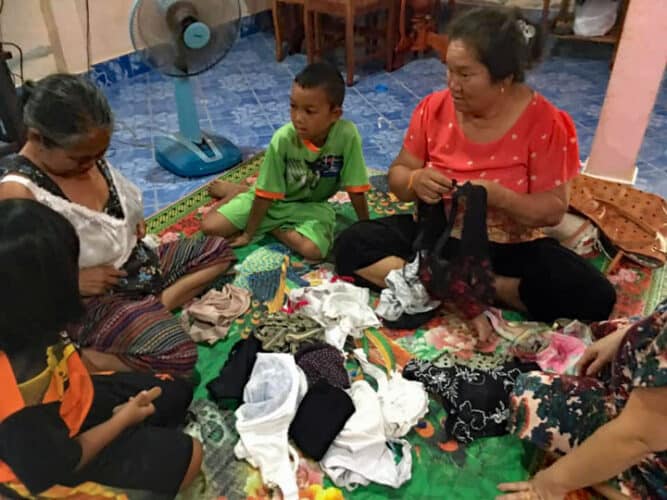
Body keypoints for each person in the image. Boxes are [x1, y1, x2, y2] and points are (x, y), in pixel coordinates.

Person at [333, 8, 616, 336]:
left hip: (508, 249)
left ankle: (472, 285)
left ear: (504, 77)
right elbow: (399, 173)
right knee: (351, 244)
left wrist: (498, 197)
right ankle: (459, 286)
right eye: (449, 70)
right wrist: (414, 180)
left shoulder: (546, 123)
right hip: (437, 239)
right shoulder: (433, 108)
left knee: (594, 295)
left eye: (465, 75)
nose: (452, 84)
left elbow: (552, 210)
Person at [0, 74, 235, 377]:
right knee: (180, 356)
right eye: (81, 159)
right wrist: (73, 282)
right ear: (37, 138)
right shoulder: (17, 193)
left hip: (134, 266)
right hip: (91, 300)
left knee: (218, 250)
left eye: (100, 155)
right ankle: (85, 360)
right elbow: (17, 288)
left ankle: (154, 308)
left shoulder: (85, 153)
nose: (91, 164)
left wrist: (129, 221)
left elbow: (114, 205)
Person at [0, 199, 202, 499]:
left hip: (74, 400)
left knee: (177, 391)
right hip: (50, 460)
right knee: (190, 456)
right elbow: (61, 465)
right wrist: (121, 420)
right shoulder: (20, 396)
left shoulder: (24, 325)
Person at [497, 301, 667, 499]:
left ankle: (636, 488)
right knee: (605, 329)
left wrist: (549, 485)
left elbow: (637, 436)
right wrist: (626, 336)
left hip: (652, 444)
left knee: (531, 394)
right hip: (640, 395)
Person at [201, 62, 370, 261]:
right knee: (210, 227)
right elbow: (265, 194)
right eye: (293, 106)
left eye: (309, 111)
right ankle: (239, 193)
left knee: (314, 251)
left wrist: (366, 227)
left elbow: (355, 187)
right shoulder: (282, 139)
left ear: (335, 114)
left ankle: (272, 226)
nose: (298, 118)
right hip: (273, 201)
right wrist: (248, 234)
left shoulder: (347, 135)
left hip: (312, 206)